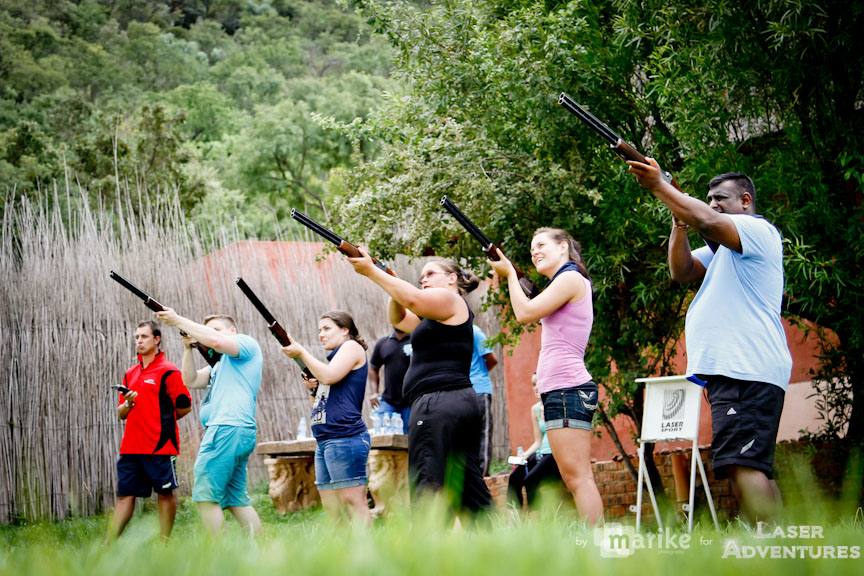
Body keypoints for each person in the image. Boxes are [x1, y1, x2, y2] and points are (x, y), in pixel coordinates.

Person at [627, 159, 792, 522]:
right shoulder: (725, 252)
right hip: (739, 370)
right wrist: (679, 224)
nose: (713, 204)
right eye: (709, 199)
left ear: (746, 201)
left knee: (740, 463)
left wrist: (660, 187)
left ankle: (771, 549)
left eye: (721, 198)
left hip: (745, 368)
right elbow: (681, 270)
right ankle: (780, 546)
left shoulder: (755, 230)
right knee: (751, 464)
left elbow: (707, 220)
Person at [346, 255, 492, 516]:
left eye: (430, 273)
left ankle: (431, 551)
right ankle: (495, 548)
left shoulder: (450, 299)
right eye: (421, 276)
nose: (423, 278)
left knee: (428, 482)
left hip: (437, 402)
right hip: (454, 401)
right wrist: (393, 285)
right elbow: (399, 319)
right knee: (469, 486)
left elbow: (412, 299)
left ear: (452, 279)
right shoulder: (434, 317)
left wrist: (372, 271)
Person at [489, 229, 603, 525]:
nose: (534, 251)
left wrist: (509, 276)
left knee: (578, 478)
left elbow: (524, 313)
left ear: (563, 247)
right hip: (559, 390)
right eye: (531, 248)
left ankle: (600, 545)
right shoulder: (560, 283)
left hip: (568, 388)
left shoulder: (570, 279)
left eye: (541, 245)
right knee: (570, 477)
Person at [155, 309, 263, 536]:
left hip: (225, 429)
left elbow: (214, 340)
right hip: (235, 430)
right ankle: (260, 550)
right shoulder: (220, 364)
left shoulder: (244, 343)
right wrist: (188, 348)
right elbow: (191, 380)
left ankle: (217, 556)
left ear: (232, 330)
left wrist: (176, 320)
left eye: (216, 329)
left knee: (205, 494)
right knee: (236, 499)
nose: (209, 335)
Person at [281, 311, 372, 526]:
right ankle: (341, 556)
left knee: (352, 502)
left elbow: (329, 376)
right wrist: (313, 390)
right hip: (325, 440)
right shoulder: (330, 364)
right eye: (319, 330)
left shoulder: (351, 347)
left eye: (326, 328)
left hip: (346, 437)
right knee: (333, 509)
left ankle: (366, 553)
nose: (321, 334)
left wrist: (301, 352)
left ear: (345, 330)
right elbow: (319, 408)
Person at [105, 320, 191, 544]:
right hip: (131, 447)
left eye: (144, 336)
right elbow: (121, 413)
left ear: (156, 339)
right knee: (125, 496)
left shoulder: (169, 371)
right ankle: (107, 544)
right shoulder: (129, 374)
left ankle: (164, 543)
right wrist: (130, 403)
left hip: (160, 446)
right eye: (137, 337)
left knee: (165, 493)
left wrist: (162, 423)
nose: (139, 341)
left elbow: (185, 405)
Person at [507, 373, 562, 509]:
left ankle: (534, 522)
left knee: (530, 479)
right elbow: (538, 441)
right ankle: (514, 522)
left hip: (555, 454)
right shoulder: (535, 410)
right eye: (533, 384)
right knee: (514, 478)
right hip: (540, 453)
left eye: (539, 383)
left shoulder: (558, 405)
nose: (536, 388)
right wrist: (524, 456)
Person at [369, 327, 412, 433]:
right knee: (384, 436)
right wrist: (374, 392)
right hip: (388, 402)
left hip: (412, 402)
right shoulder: (383, 343)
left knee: (410, 439)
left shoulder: (416, 341)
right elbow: (373, 368)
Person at [469, 324, 498, 476]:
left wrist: (478, 376)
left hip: (480, 390)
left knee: (483, 433)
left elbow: (492, 359)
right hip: (462, 391)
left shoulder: (475, 331)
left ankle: (482, 475)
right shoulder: (450, 332)